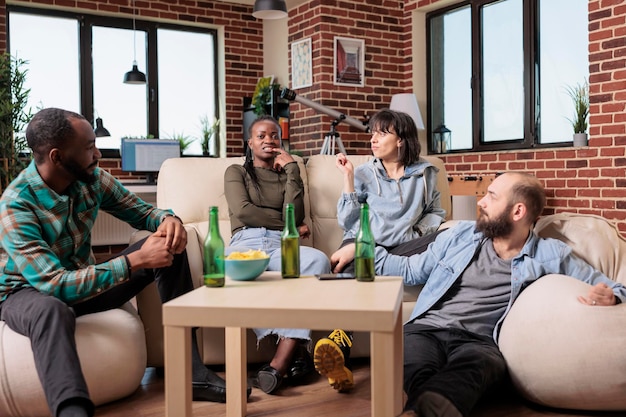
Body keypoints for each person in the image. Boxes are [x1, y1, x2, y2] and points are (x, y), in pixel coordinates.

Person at [0, 108, 244, 417]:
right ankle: (72, 411)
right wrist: (135, 261)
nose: (98, 153)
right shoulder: (16, 204)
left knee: (167, 245)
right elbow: (54, 285)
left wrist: (169, 221)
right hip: (27, 293)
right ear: (57, 157)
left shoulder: (91, 179)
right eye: (89, 147)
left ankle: (191, 369)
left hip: (83, 283)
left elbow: (144, 213)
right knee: (52, 309)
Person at [372, 171, 626, 417]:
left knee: (485, 366)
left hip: (479, 343)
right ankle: (425, 410)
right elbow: (411, 270)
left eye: (492, 196)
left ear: (518, 211)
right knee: (413, 362)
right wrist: (365, 253)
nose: (481, 202)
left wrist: (611, 296)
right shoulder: (462, 236)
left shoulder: (551, 254)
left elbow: (615, 286)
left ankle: (419, 410)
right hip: (425, 330)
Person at [314, 109, 447, 393]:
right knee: (346, 261)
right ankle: (339, 346)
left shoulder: (426, 174)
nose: (373, 139)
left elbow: (435, 212)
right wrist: (348, 179)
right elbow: (348, 223)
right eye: (372, 133)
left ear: (401, 140)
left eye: (381, 133)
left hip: (399, 245)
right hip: (362, 241)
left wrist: (417, 234)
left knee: (451, 238)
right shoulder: (363, 172)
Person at [224, 115, 331, 395]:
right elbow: (244, 211)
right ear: (250, 142)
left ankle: (278, 364)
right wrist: (291, 223)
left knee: (318, 261)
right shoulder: (236, 171)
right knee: (233, 270)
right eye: (261, 136)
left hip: (280, 243)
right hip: (246, 243)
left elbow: (294, 213)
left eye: (274, 136)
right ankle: (290, 358)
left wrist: (293, 170)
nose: (269, 140)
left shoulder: (287, 175)